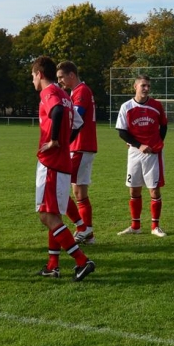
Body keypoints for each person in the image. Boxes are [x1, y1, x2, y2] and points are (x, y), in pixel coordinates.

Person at [33, 56, 95, 281]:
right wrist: (66, 141)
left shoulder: (49, 92)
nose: (33, 81)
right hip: (63, 163)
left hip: (51, 163)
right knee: (54, 214)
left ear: (39, 74)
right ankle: (53, 265)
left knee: (45, 215)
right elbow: (77, 123)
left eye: (32, 76)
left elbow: (57, 111)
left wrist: (54, 141)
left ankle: (81, 260)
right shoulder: (65, 96)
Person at [115, 74, 168, 237]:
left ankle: (155, 227)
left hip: (152, 154)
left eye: (148, 86)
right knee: (134, 190)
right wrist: (139, 145)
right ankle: (135, 226)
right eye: (143, 85)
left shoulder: (156, 106)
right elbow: (121, 131)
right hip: (134, 153)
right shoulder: (126, 107)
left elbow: (164, 126)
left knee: (154, 191)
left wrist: (156, 143)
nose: (146, 88)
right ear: (135, 87)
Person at [57, 61, 97, 245]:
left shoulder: (81, 91)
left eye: (61, 77)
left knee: (61, 187)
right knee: (79, 191)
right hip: (83, 147)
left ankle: (82, 227)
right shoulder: (77, 91)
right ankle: (88, 234)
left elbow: (76, 116)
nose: (60, 82)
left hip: (80, 146)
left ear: (71, 75)